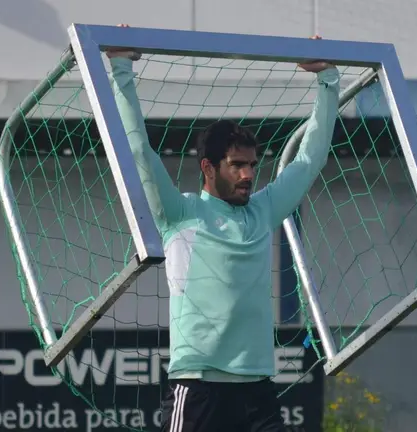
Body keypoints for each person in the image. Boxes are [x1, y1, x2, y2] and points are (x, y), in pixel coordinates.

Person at [106, 24, 340, 432]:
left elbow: (309, 160)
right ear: (209, 168)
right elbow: (137, 149)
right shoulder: (180, 213)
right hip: (199, 389)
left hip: (257, 391)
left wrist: (327, 80)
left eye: (252, 164)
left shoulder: (262, 211)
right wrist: (121, 69)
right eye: (237, 165)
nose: (249, 174)